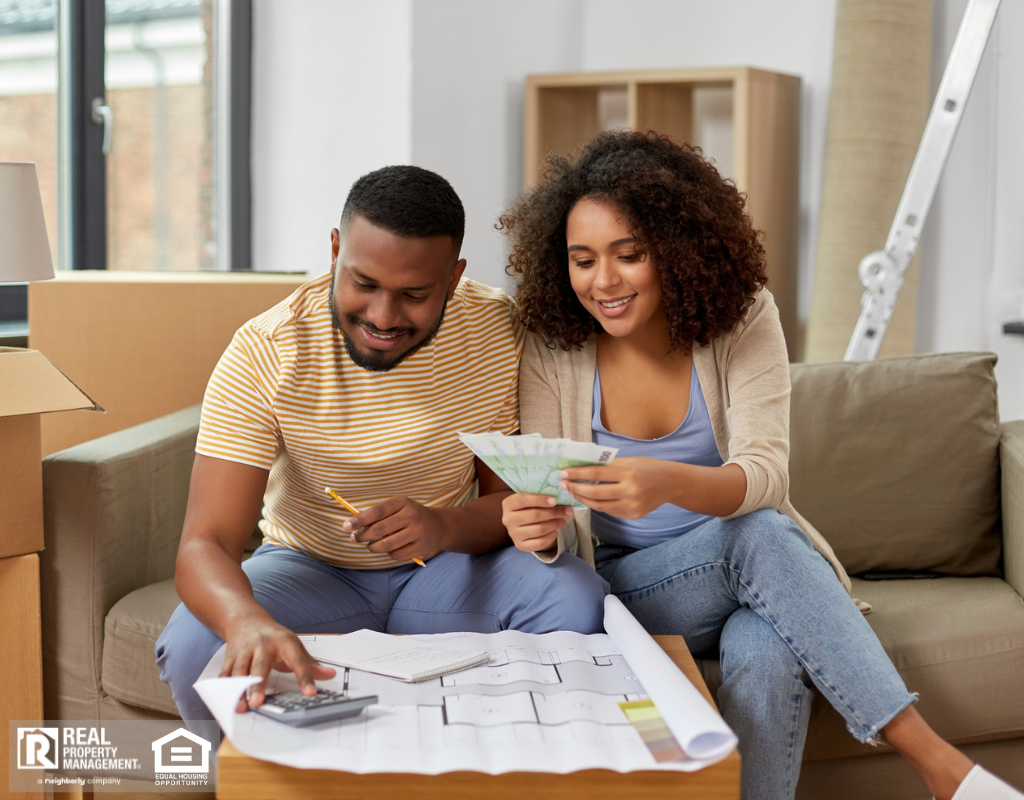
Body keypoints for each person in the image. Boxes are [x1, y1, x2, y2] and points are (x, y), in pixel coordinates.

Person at [498, 130, 1022, 800]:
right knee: (759, 535)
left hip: (748, 581)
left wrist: (665, 482)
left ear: (677, 249)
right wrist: (535, 528)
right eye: (582, 260)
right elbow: (553, 503)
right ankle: (941, 769)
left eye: (629, 255)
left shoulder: (741, 319)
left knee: (768, 654)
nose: (604, 281)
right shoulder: (552, 346)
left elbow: (767, 475)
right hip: (631, 591)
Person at [155, 165, 609, 724]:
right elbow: (207, 543)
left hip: (451, 568)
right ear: (335, 250)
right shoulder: (266, 350)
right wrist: (245, 618)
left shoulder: (496, 329)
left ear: (454, 276)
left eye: (415, 295)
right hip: (309, 570)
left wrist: (442, 525)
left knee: (575, 599)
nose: (383, 317)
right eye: (364, 284)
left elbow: (509, 506)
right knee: (195, 646)